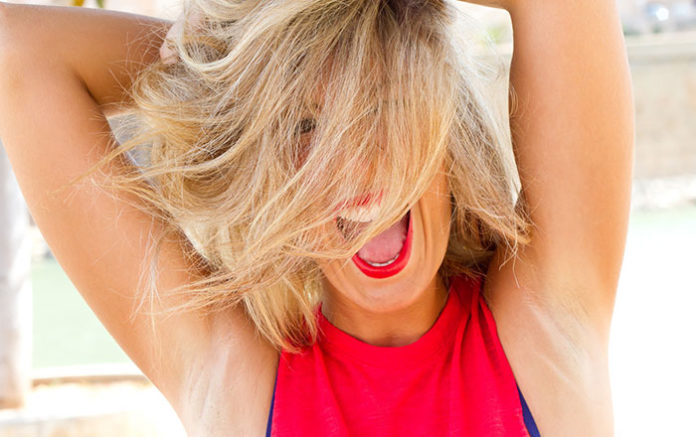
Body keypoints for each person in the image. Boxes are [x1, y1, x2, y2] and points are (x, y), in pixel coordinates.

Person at [0, 0, 633, 435]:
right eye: (305, 129)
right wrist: (235, 67)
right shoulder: (235, 383)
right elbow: (17, 51)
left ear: (446, 138)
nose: (354, 164)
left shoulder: (546, 330)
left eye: (382, 108)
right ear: (270, 176)